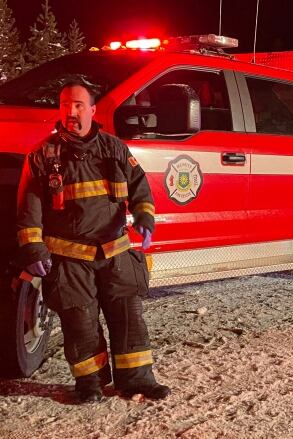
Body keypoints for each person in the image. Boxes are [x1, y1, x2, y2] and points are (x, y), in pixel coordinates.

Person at [16, 79, 170, 403]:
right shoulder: (43, 156)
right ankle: (90, 385)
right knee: (80, 322)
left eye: (78, 105)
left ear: (93, 110)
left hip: (115, 252)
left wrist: (145, 218)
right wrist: (33, 247)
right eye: (65, 104)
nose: (71, 111)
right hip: (69, 257)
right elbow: (28, 208)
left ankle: (137, 380)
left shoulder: (114, 148)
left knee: (128, 317)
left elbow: (140, 187)